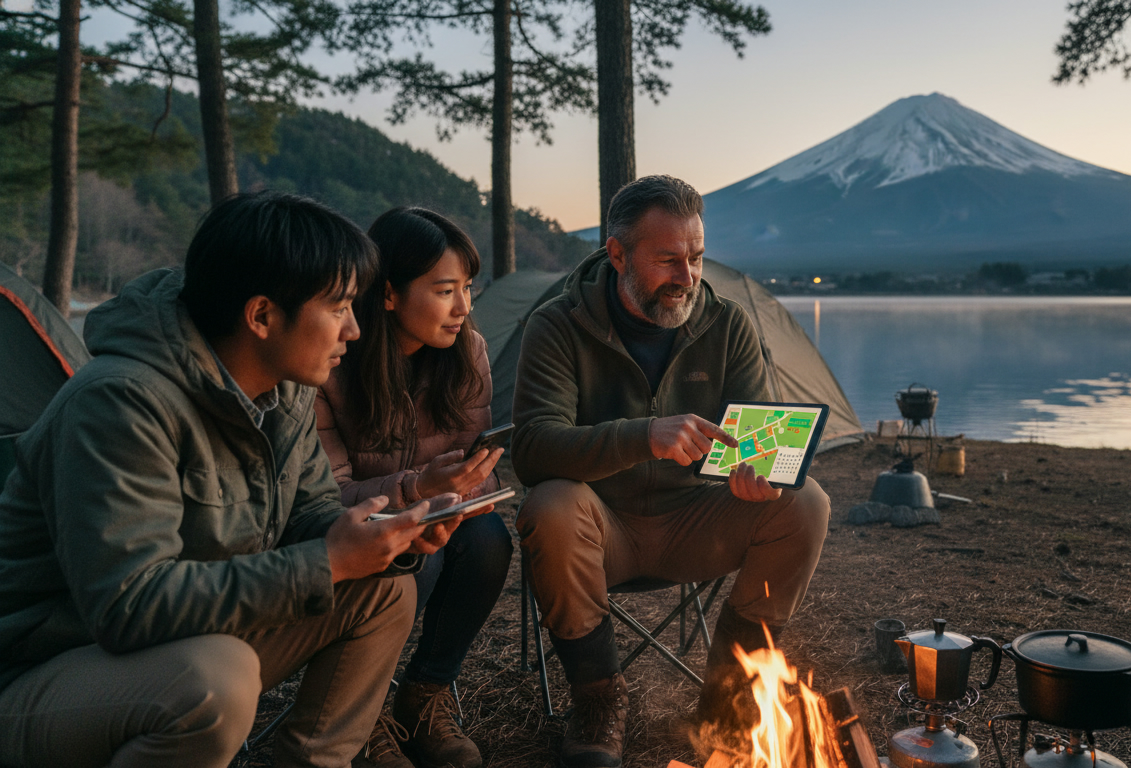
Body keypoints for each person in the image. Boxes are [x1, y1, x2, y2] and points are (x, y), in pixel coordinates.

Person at [0, 192, 474, 768]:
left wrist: (383, 536)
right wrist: (327, 562)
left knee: (384, 590)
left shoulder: (285, 389)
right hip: (45, 671)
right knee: (213, 684)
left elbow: (309, 513)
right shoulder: (120, 404)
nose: (354, 329)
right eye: (339, 307)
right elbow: (129, 606)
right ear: (262, 316)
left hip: (187, 644)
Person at [511, 175, 832, 768]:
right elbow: (532, 449)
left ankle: (728, 700)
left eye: (697, 257)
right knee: (550, 504)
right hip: (599, 530)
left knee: (804, 501)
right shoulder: (557, 326)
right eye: (668, 260)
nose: (688, 277)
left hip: (695, 522)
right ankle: (598, 700)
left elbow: (754, 439)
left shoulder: (726, 324)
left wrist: (755, 475)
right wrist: (643, 436)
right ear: (617, 255)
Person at [315, 207, 510, 768]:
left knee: (489, 541)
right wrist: (416, 488)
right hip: (358, 532)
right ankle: (365, 710)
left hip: (440, 516)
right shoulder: (331, 364)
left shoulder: (468, 352)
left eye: (468, 288)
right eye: (446, 291)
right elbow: (326, 495)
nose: (464, 307)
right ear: (389, 294)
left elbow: (479, 462)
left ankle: (425, 694)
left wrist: (467, 485)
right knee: (415, 559)